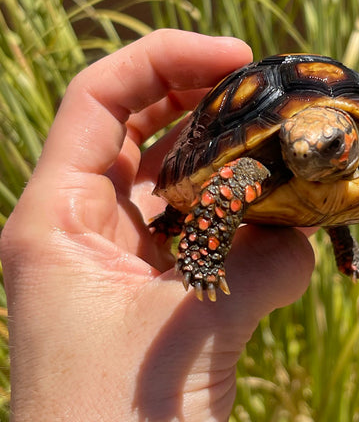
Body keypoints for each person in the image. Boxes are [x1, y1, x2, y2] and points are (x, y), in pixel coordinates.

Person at [0, 29, 315, 421]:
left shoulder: (356, 157)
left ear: (351, 140)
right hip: (254, 169)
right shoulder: (250, 168)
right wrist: (202, 259)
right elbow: (224, 184)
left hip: (338, 186)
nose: (306, 156)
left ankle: (344, 244)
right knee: (228, 184)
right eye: (293, 144)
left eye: (327, 147)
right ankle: (196, 251)